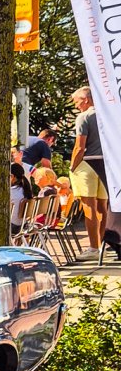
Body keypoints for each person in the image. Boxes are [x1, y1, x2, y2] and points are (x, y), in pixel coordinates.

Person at [70, 86, 113, 257]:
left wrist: (73, 166)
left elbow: (80, 146)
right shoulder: (107, 115)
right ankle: (101, 245)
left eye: (77, 101)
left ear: (86, 99)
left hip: (87, 163)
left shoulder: (84, 117)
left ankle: (93, 247)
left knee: (89, 206)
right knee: (103, 206)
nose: (76, 105)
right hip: (105, 163)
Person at [9, 162, 35, 236]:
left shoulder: (11, 191)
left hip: (12, 227)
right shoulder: (25, 189)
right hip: (22, 225)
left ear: (12, 176)